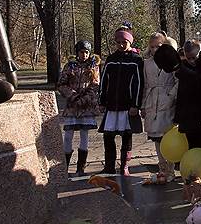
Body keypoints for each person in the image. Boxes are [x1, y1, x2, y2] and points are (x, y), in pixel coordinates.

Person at [99, 25, 145, 176]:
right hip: (112, 104)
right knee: (108, 136)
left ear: (130, 42)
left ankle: (124, 165)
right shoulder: (111, 60)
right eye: (118, 42)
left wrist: (135, 104)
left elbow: (139, 83)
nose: (121, 44)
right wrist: (101, 100)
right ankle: (109, 165)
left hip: (127, 105)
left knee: (126, 136)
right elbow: (104, 81)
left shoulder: (136, 60)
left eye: (124, 41)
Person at [58, 40, 101, 176]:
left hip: (87, 105)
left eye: (87, 52)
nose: (84, 55)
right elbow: (62, 84)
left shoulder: (93, 66)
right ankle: (64, 166)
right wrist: (73, 96)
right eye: (82, 52)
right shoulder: (70, 66)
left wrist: (85, 98)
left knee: (84, 135)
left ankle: (80, 168)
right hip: (72, 105)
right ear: (77, 53)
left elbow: (95, 84)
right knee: (68, 135)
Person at [142, 31, 179, 183]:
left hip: (167, 101)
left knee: (167, 137)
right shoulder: (146, 63)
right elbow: (145, 85)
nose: (155, 50)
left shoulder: (172, 61)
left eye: (158, 46)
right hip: (152, 101)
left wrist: (170, 96)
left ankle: (170, 170)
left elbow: (178, 81)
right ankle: (162, 168)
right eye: (152, 47)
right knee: (157, 138)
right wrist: (143, 105)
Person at [174, 39, 201, 153]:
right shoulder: (182, 70)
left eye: (194, 57)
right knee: (190, 144)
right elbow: (181, 95)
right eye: (188, 58)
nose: (192, 61)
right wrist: (178, 117)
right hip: (187, 115)